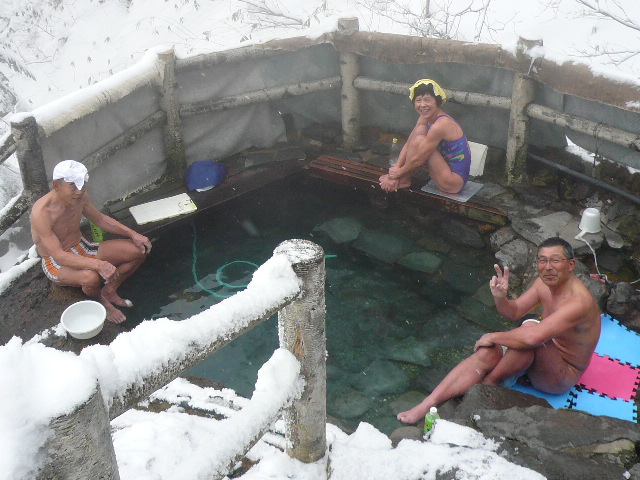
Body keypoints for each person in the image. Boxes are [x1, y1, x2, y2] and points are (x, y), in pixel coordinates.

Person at [397, 237, 601, 424]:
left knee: (529, 336)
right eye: (542, 260)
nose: (548, 267)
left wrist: (493, 335)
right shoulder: (543, 283)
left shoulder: (578, 303)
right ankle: (427, 404)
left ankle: (487, 386)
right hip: (541, 355)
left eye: (555, 260)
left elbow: (533, 337)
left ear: (571, 265)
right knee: (489, 350)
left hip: (560, 375)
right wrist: (500, 297)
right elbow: (513, 313)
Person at [30, 160, 152, 324]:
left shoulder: (80, 197)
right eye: (73, 186)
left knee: (138, 250)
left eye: (82, 185)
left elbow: (100, 219)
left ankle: (110, 289)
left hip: (81, 246)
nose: (79, 191)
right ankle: (103, 302)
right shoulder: (41, 213)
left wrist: (133, 234)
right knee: (91, 278)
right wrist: (100, 265)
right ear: (56, 185)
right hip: (55, 261)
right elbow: (59, 256)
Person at [379, 79, 471, 195]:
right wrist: (396, 167)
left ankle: (402, 180)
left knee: (420, 141)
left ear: (437, 102)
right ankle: (402, 179)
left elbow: (419, 158)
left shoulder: (441, 124)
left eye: (427, 100)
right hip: (444, 172)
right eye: (418, 100)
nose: (422, 105)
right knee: (419, 131)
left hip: (453, 183)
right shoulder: (425, 117)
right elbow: (409, 143)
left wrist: (397, 174)